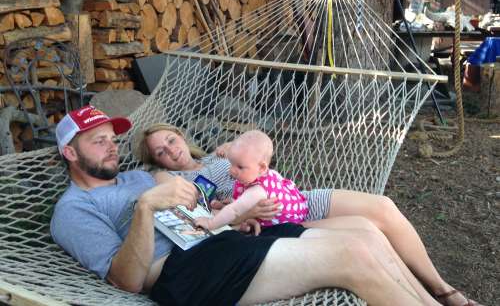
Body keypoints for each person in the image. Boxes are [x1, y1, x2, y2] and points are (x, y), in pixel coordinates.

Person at [50, 105, 445, 306]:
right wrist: (144, 209)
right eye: (97, 140)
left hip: (224, 240)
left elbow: (196, 203)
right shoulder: (73, 210)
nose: (111, 145)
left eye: (110, 137)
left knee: (366, 232)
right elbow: (125, 281)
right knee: (353, 254)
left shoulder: (137, 176)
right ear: (69, 152)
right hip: (183, 272)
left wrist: (230, 216)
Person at [135, 122, 484, 306]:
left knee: (384, 207)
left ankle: (440, 288)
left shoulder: (220, 154)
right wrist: (236, 215)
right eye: (160, 152)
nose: (169, 150)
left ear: (180, 135)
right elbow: (191, 207)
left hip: (296, 198)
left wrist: (231, 150)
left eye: (170, 140)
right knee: (364, 231)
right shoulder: (180, 179)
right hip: (275, 222)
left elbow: (260, 154)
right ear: (156, 162)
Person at [195, 130, 308, 230]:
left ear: (262, 168)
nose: (232, 171)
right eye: (232, 164)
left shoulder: (257, 190)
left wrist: (210, 223)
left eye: (240, 167)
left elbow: (234, 211)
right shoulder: (261, 173)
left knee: (237, 213)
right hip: (296, 204)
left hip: (288, 224)